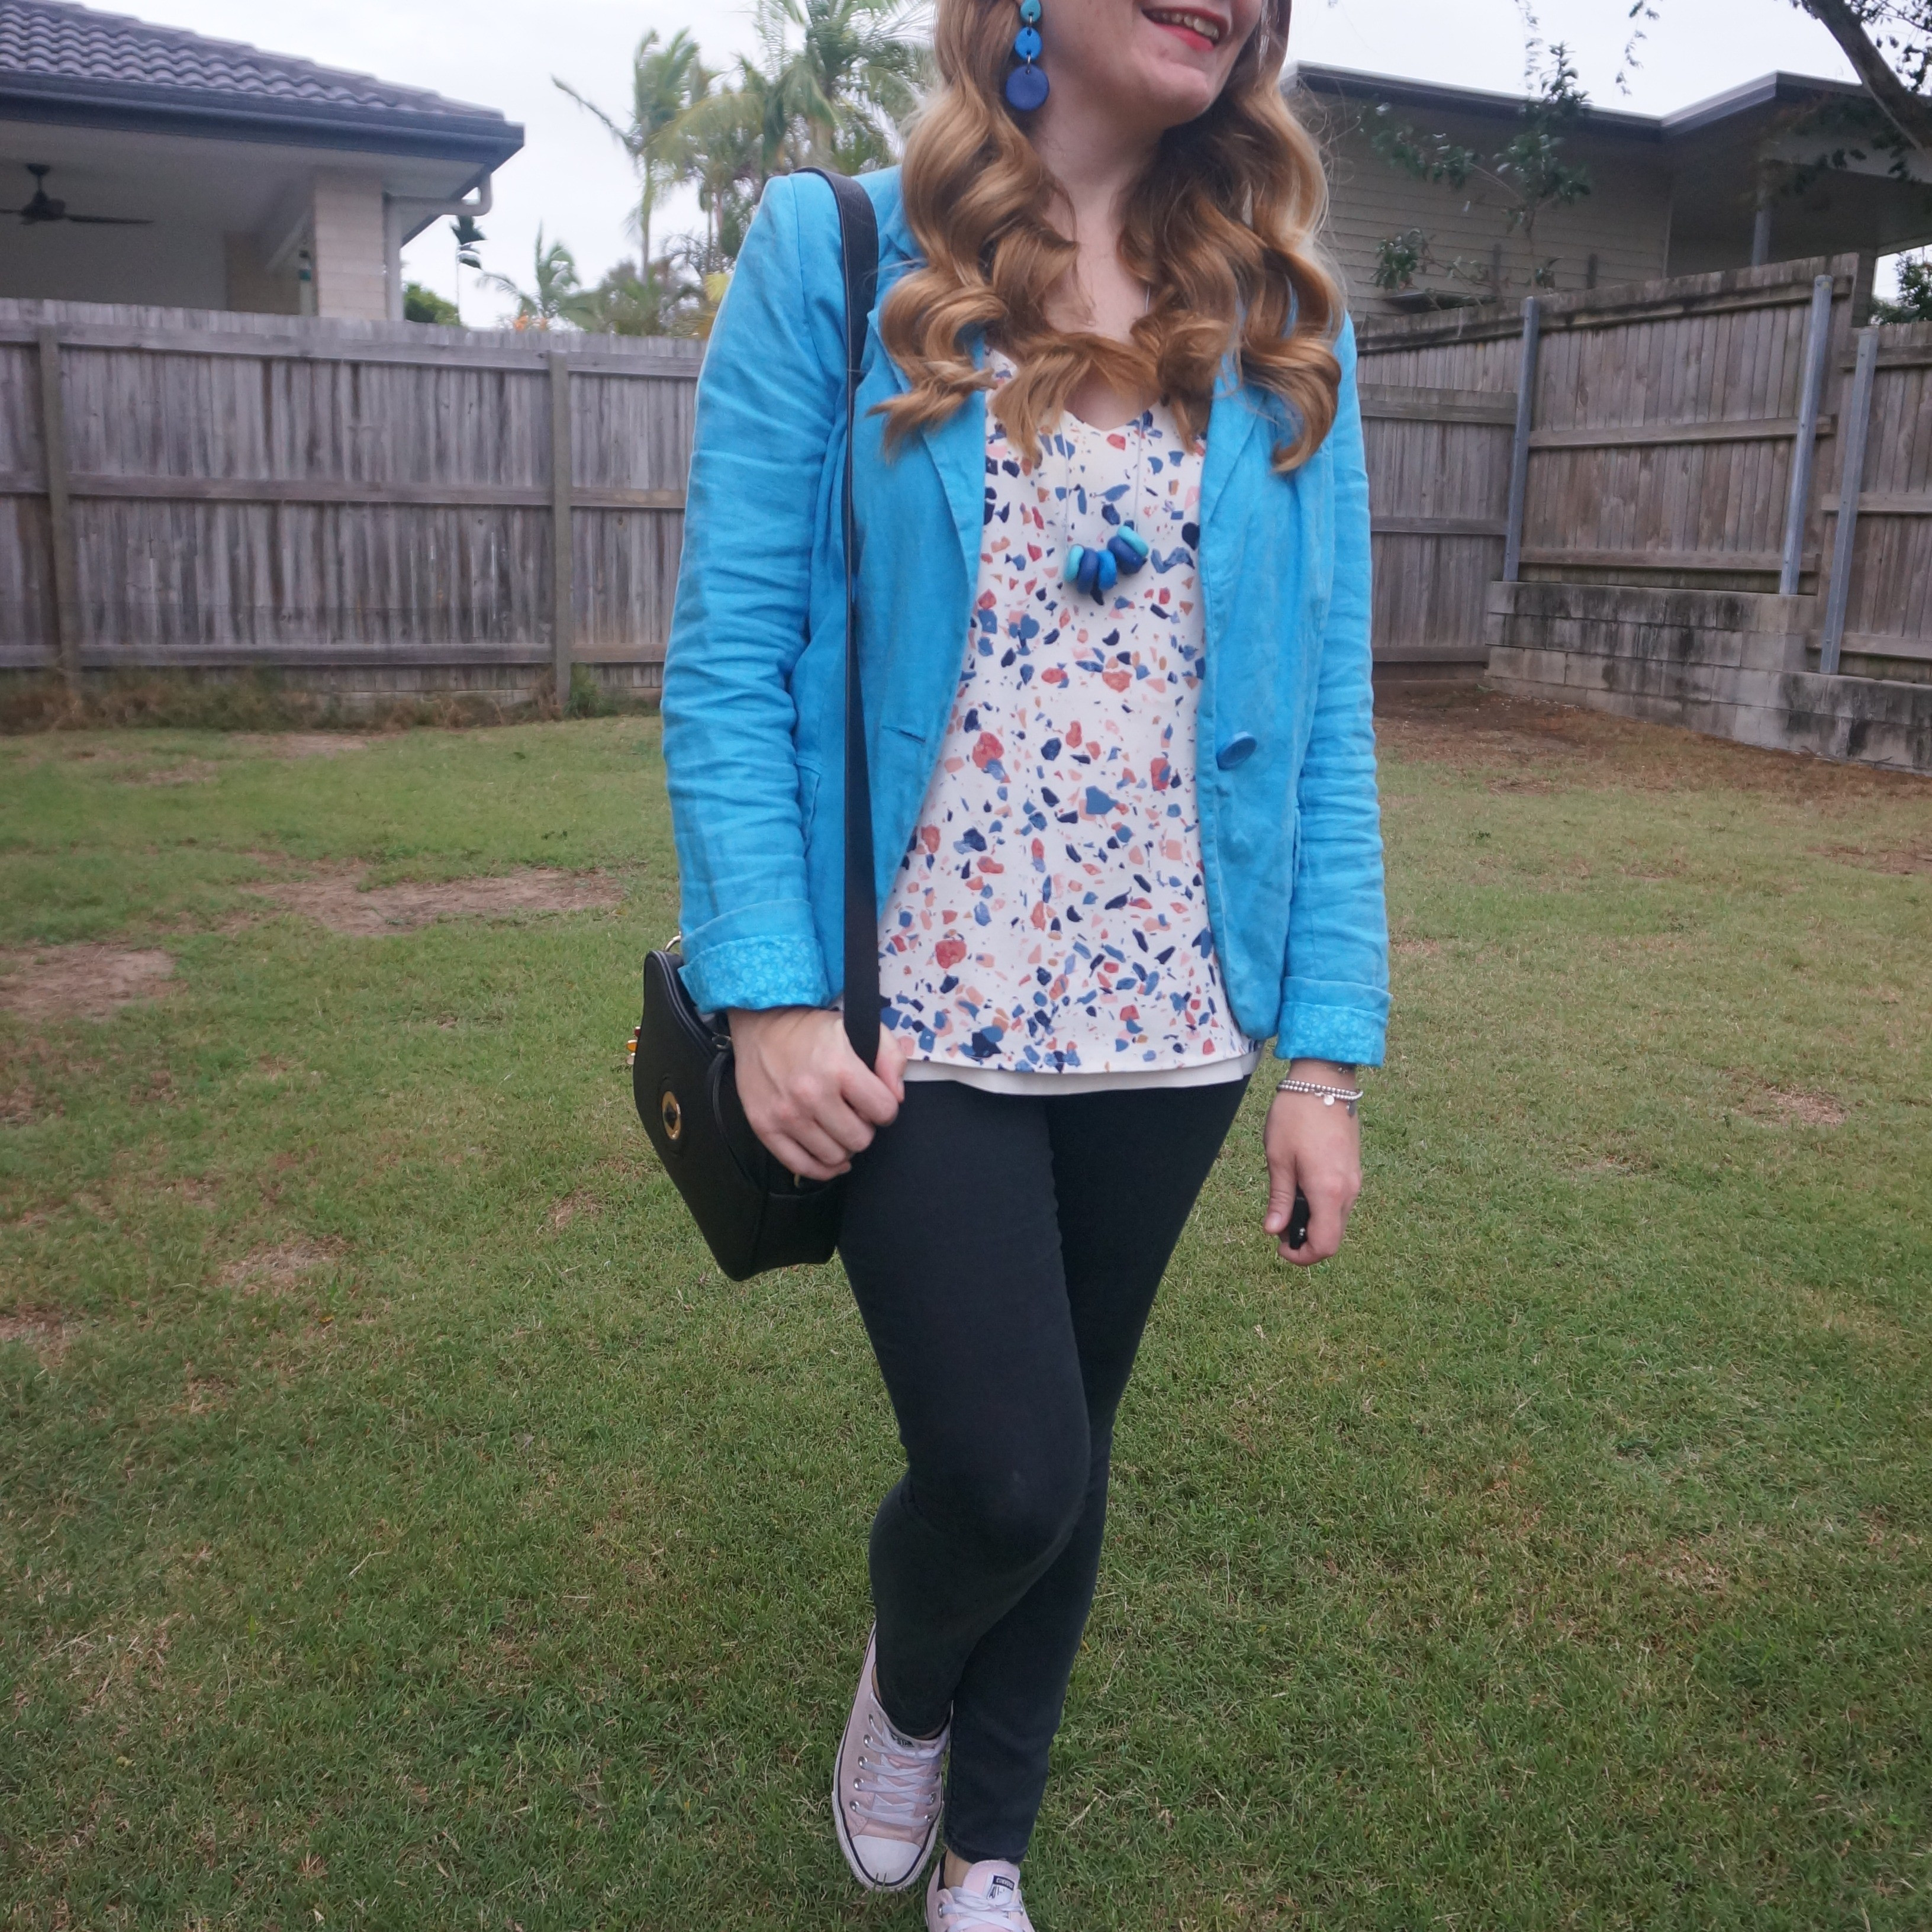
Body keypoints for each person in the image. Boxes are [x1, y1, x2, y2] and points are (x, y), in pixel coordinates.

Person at [660, 0, 1386, 1922]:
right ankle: (910, 1681)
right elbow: (731, 655)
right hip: (920, 1016)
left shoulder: (1284, 326)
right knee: (1006, 1472)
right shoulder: (842, 255)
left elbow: (1327, 718)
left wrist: (1324, 1059)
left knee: (1078, 1429)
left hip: (1175, 1017)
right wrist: (768, 989)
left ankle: (989, 1848)